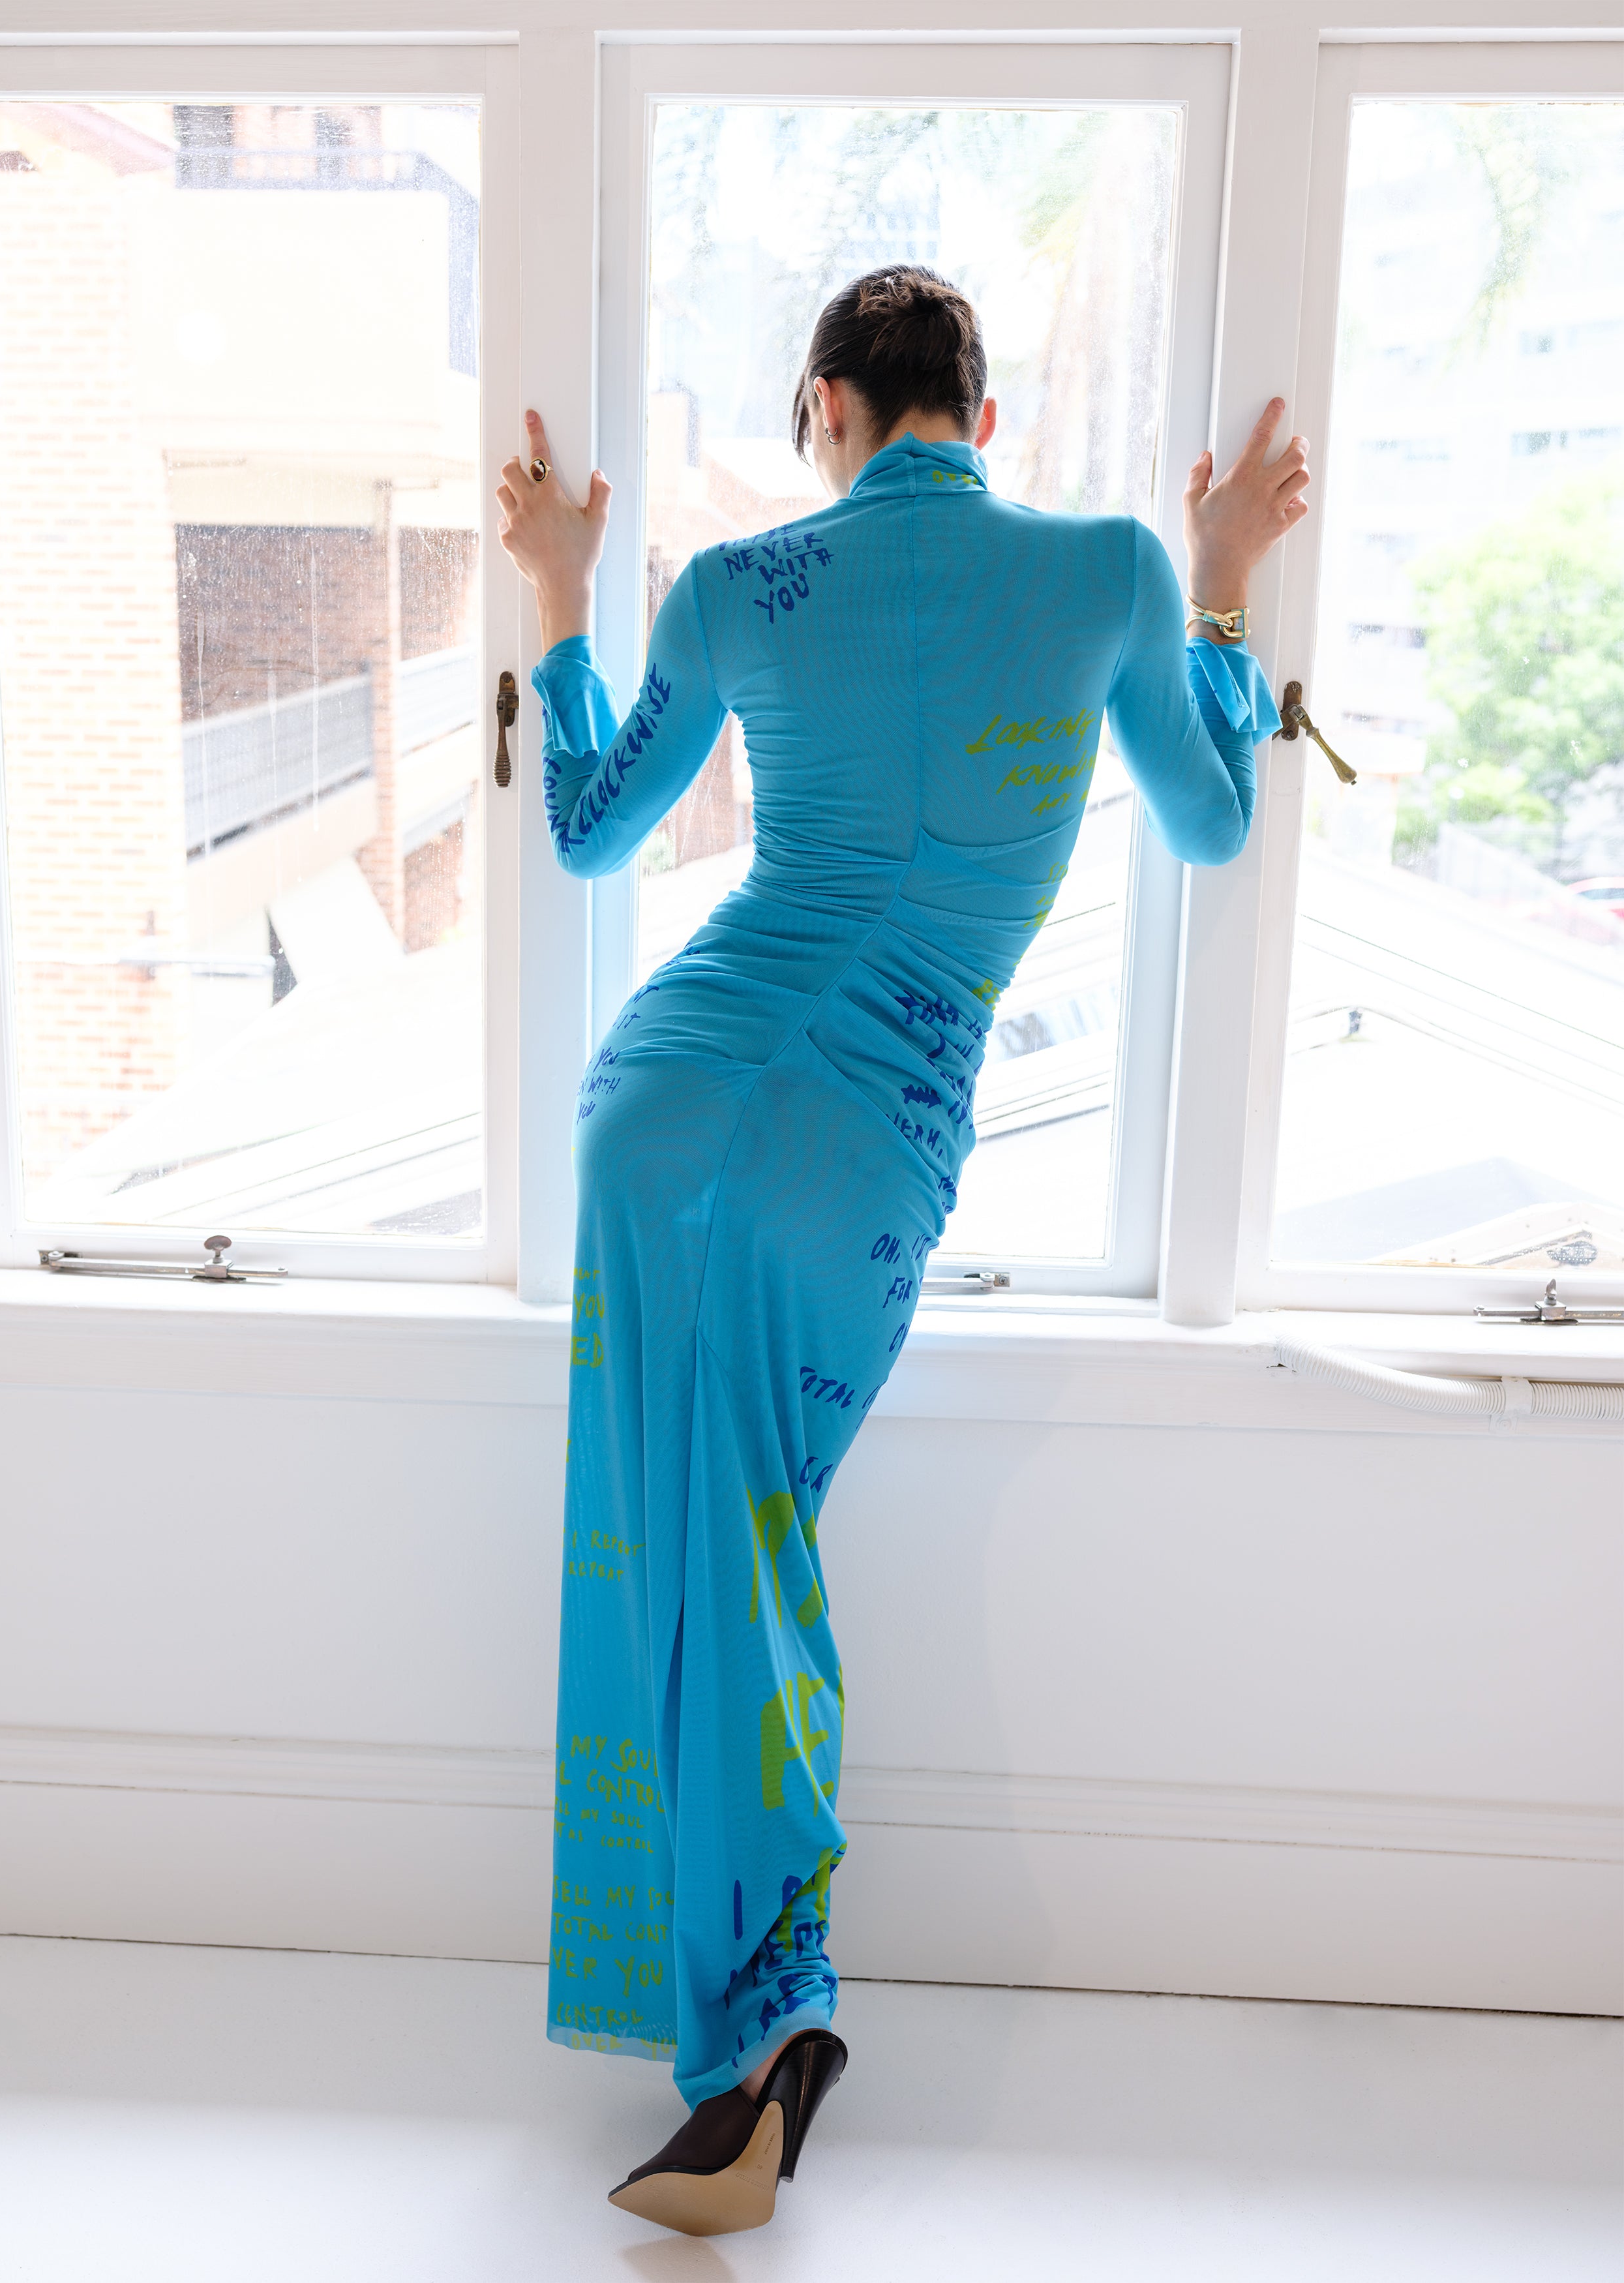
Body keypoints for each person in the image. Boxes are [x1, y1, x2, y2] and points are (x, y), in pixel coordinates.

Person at [496, 265, 1305, 2239]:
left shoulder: (735, 585)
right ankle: (763, 2029)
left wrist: (556, 597)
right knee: (750, 1538)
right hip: (863, 1147)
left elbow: (595, 829)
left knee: (696, 1543)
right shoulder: (1109, 570)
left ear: (824, 411)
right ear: (984, 419)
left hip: (665, 1102)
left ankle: (759, 2034)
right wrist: (1217, 592)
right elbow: (1211, 827)